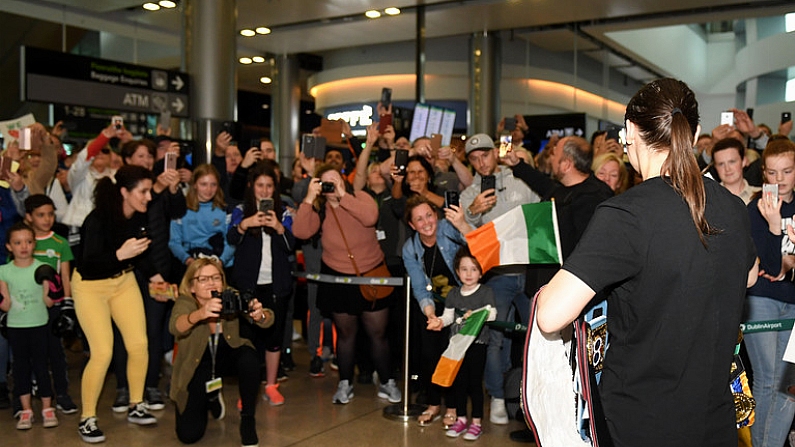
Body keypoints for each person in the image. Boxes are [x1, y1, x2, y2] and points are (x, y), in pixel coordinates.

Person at [535, 78, 758, 447]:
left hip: (643, 420)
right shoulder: (733, 207)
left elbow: (550, 315)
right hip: (715, 419)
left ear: (630, 132)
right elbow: (748, 276)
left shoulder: (627, 214)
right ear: (694, 131)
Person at [292, 163, 401, 405]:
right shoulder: (319, 209)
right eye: (325, 182)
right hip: (338, 277)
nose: (330, 185)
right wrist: (309, 199)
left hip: (371, 273)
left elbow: (371, 217)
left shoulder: (359, 197)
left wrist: (343, 197)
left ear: (344, 180)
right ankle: (345, 383)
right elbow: (300, 232)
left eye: (335, 180)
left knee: (378, 334)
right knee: (345, 335)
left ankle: (386, 381)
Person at [72, 165, 159, 443]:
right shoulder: (97, 220)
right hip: (90, 287)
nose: (148, 196)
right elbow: (88, 265)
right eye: (143, 191)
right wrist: (120, 255)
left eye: (149, 190)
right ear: (124, 191)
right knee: (102, 353)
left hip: (123, 282)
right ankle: (87, 418)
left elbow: (141, 254)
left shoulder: (138, 217)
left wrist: (156, 277)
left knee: (138, 344)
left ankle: (137, 404)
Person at [459, 133, 540, 424]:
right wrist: (473, 213)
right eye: (474, 158)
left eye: (485, 155)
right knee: (494, 338)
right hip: (497, 276)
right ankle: (496, 395)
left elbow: (541, 211)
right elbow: (465, 238)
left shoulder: (520, 179)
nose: (481, 162)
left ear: (495, 153)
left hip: (531, 271)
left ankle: (536, 393)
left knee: (542, 334)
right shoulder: (469, 195)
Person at [110, 139, 186, 412]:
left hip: (159, 269)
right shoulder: (118, 188)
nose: (145, 160)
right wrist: (156, 188)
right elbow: (132, 219)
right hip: (128, 270)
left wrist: (173, 187)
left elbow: (178, 211)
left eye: (149, 156)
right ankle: (123, 387)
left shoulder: (160, 185)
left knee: (153, 331)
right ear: (127, 159)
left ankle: (150, 385)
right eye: (140, 156)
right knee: (124, 331)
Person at [169, 257, 274, 447]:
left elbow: (267, 318)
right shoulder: (186, 301)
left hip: (227, 355)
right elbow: (175, 326)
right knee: (189, 435)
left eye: (216, 277)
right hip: (197, 364)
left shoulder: (228, 295)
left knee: (249, 358)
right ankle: (211, 395)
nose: (211, 283)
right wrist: (200, 314)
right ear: (192, 286)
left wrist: (260, 314)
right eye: (204, 279)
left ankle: (248, 419)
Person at [227, 164, 295, 406]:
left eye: (269, 186)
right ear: (251, 187)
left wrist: (277, 227)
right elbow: (231, 238)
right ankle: (248, 390)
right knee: (248, 339)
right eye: (260, 185)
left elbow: (290, 245)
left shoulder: (285, 212)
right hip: (247, 284)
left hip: (276, 285)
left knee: (274, 337)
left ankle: (271, 385)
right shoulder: (239, 210)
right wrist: (245, 224)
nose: (264, 191)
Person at [402, 196, 473, 428]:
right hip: (434, 305)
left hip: (462, 302)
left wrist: (462, 223)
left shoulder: (448, 228)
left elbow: (476, 243)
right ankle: (433, 404)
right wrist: (430, 314)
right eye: (419, 219)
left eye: (429, 215)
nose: (426, 222)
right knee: (430, 355)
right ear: (412, 225)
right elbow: (420, 287)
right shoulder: (410, 248)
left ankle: (452, 408)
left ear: (437, 215)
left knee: (453, 355)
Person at [745, 137, 795, 447]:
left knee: (789, 386)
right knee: (766, 382)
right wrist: (776, 225)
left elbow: (779, 268)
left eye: (787, 171)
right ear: (764, 173)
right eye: (773, 173)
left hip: (792, 304)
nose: (780, 179)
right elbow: (776, 267)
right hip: (761, 300)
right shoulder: (756, 208)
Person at [427, 247, 496, 441]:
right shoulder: (454, 294)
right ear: (457, 271)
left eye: (474, 269)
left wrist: (475, 314)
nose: (469, 274)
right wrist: (439, 322)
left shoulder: (486, 292)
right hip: (456, 345)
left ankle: (476, 423)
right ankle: (461, 419)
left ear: (481, 272)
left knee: (475, 384)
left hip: (477, 343)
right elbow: (448, 316)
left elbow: (492, 314)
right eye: (464, 269)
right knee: (458, 383)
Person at [23, 194, 77, 415]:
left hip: (53, 307)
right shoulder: (23, 241)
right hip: (29, 306)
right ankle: (35, 391)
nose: (47, 219)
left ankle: (62, 393)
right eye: (41, 215)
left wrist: (67, 304)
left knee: (56, 352)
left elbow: (66, 276)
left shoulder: (60, 242)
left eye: (50, 214)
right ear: (29, 217)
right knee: (31, 352)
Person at [0, 222, 56, 430]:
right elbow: (5, 305)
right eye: (17, 242)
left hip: (39, 324)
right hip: (16, 326)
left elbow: (48, 301)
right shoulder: (3, 271)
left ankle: (47, 408)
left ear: (34, 245)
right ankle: (26, 411)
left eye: (28, 242)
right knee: (21, 368)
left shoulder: (42, 268)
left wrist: (55, 290)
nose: (23, 246)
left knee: (41, 366)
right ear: (9, 247)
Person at [169, 164, 235, 273]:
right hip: (190, 263)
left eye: (213, 185)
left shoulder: (225, 210)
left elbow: (231, 242)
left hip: (219, 263)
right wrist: (188, 260)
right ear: (194, 184)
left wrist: (221, 262)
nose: (209, 189)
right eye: (203, 184)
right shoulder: (181, 208)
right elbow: (174, 242)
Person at [711, 137, 759, 205]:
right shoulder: (709, 199)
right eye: (721, 164)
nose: (727, 169)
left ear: (744, 162)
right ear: (715, 167)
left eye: (732, 162)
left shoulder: (760, 196)